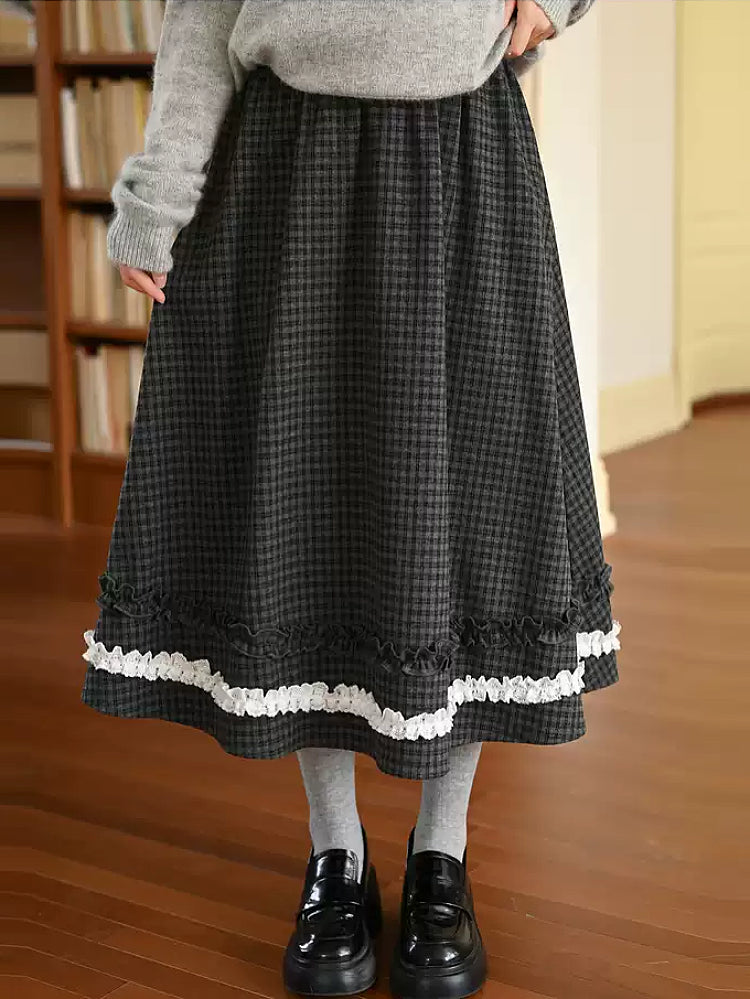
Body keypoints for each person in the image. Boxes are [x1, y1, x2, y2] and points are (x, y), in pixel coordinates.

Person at [80, 2, 621, 996]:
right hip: (286, 173)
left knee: (468, 526)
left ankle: (440, 855)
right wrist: (158, 192)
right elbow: (204, 16)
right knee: (310, 525)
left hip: (464, 159)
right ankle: (337, 853)